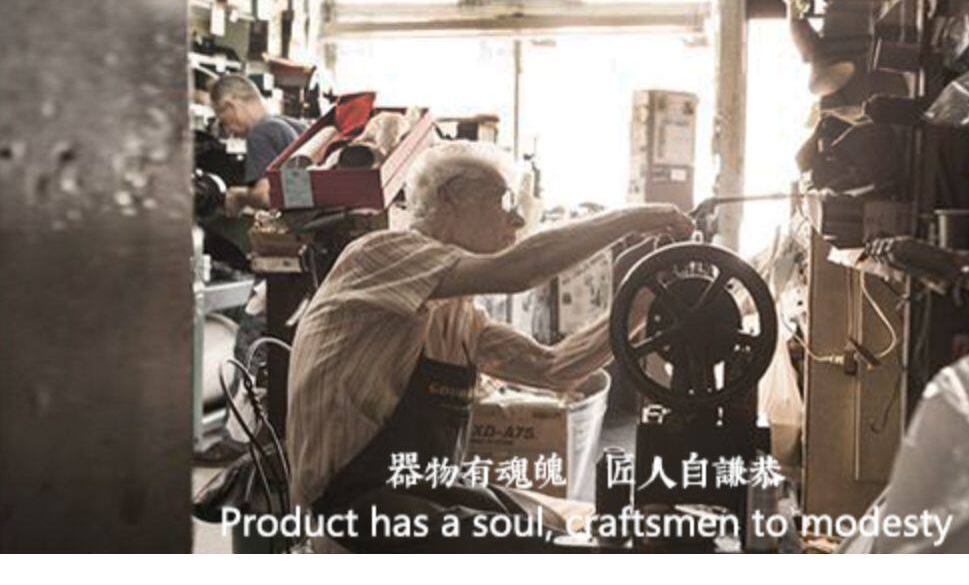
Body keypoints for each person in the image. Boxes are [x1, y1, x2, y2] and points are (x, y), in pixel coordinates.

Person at [286, 141, 693, 552]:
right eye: (503, 199)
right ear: (449, 197)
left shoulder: (460, 316)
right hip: (351, 506)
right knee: (551, 553)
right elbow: (520, 270)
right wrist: (632, 219)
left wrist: (639, 302)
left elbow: (556, 369)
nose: (517, 218)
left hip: (421, 490)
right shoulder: (381, 255)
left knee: (562, 530)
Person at [208, 74, 305, 215]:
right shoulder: (296, 125)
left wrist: (240, 196)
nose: (228, 131)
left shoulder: (260, 133)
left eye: (224, 121)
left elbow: (267, 196)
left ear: (231, 105)